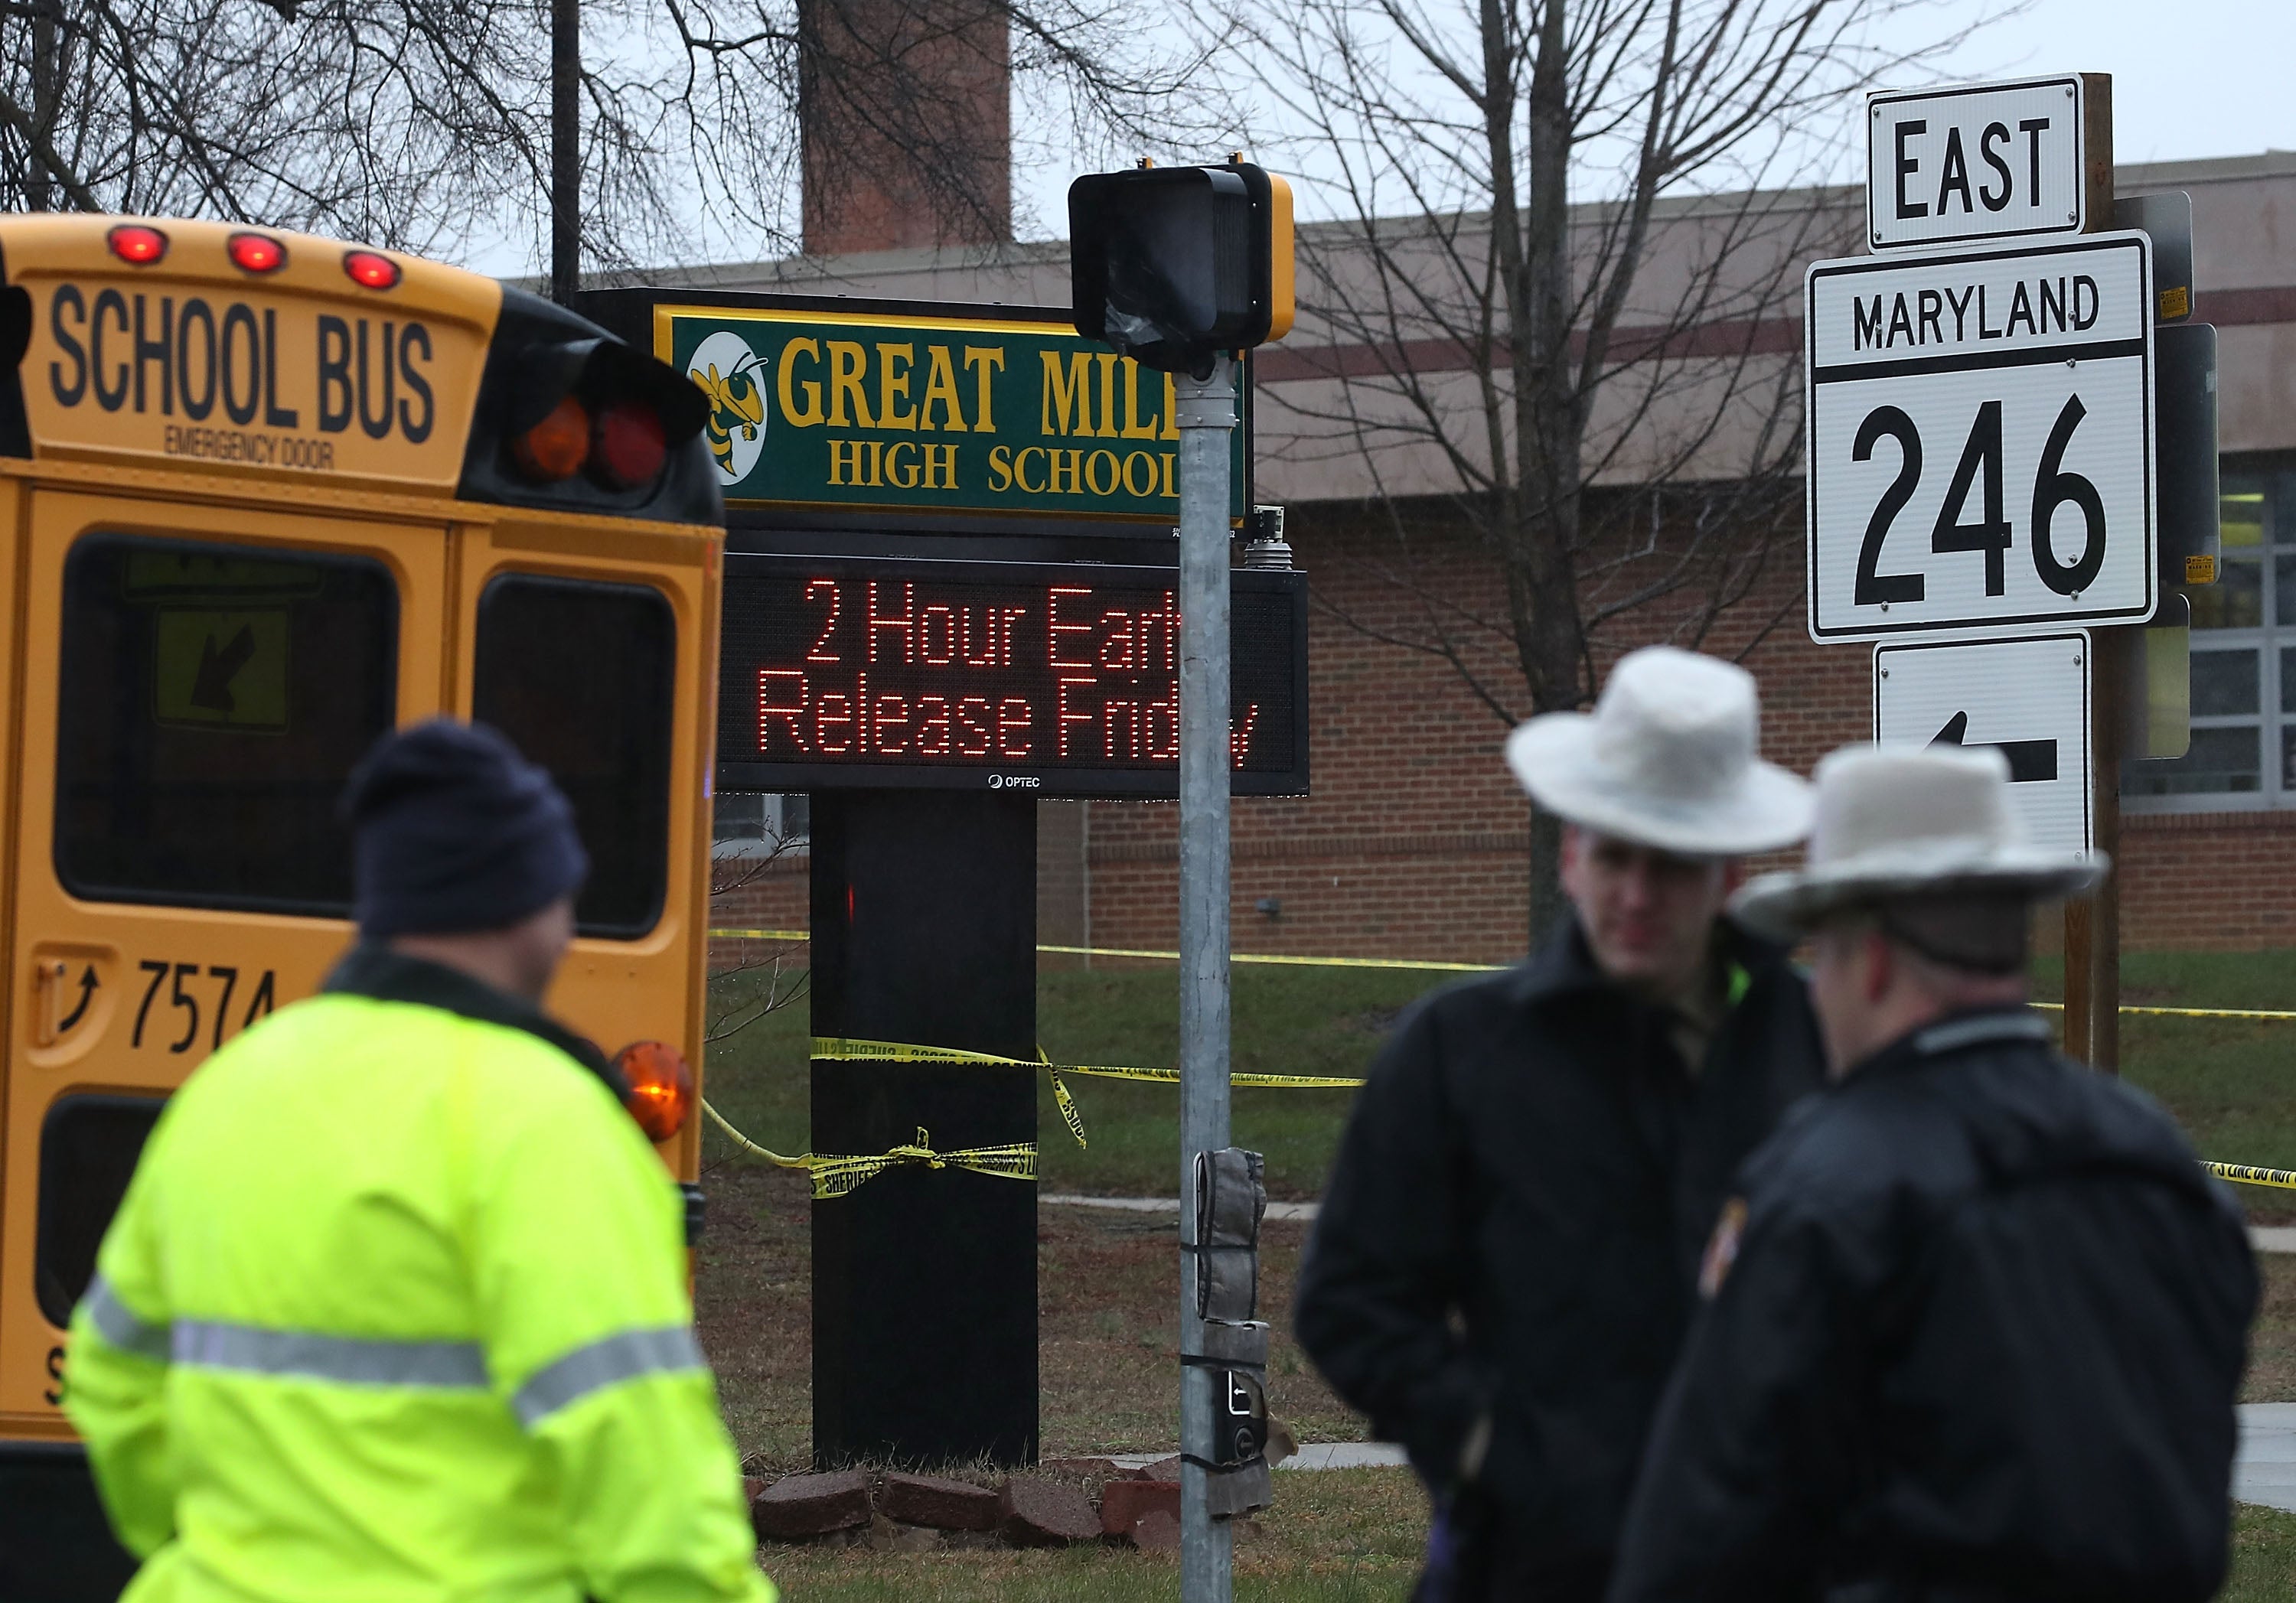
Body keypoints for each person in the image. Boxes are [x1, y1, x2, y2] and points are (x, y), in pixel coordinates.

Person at [64, 720, 773, 1603]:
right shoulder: (543, 1121)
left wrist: (219, 1540)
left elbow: (107, 1369)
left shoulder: (229, 1090)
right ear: (530, 904)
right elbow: (642, 1459)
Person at [1609, 744, 2258, 1603]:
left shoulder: (1820, 1185)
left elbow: (1708, 1517)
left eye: (1824, 960)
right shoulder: (2153, 1153)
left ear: (1871, 959)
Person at [1294, 645, 1826, 1601]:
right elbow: (1351, 1299)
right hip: (1535, 1567)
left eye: (1671, 867)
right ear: (1572, 852)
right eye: (1615, 854)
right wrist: (1490, 1447)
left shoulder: (1821, 1050)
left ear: (1731, 871)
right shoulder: (1458, 1051)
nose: (1635, 895)